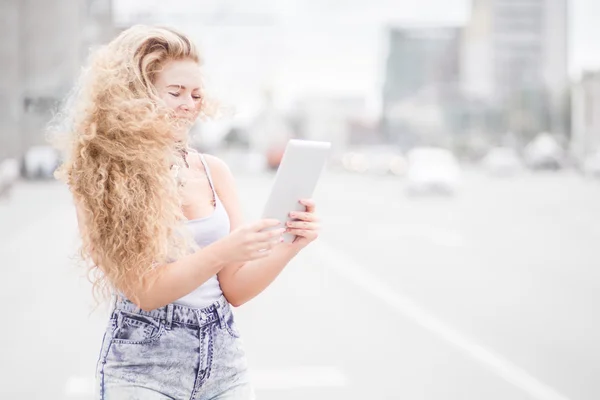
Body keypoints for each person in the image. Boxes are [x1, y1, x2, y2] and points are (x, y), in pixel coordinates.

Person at [51, 25, 320, 399]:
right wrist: (226, 249)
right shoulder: (101, 177)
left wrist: (291, 244)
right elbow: (144, 291)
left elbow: (236, 289)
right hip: (143, 366)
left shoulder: (214, 171)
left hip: (223, 359)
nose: (189, 104)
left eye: (196, 94)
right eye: (175, 92)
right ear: (134, 96)